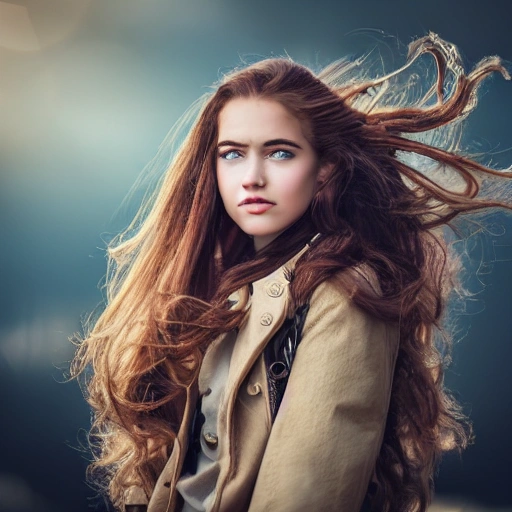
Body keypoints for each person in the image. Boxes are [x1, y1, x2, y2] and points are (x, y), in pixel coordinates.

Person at [72, 33, 512, 512]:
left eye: (280, 152)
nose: (252, 176)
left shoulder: (346, 293)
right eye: (232, 153)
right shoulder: (221, 285)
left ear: (323, 169)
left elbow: (305, 493)